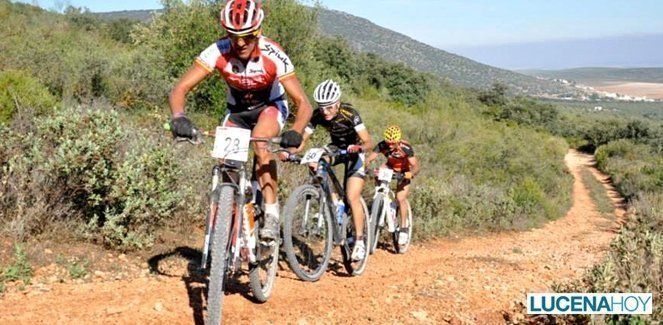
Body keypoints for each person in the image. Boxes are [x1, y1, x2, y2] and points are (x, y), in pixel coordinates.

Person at [168, 0, 313, 240]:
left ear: (258, 31)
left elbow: (304, 103)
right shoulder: (218, 50)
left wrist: (296, 130)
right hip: (237, 111)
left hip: (270, 107)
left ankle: (270, 210)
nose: (240, 43)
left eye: (247, 35)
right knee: (226, 164)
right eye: (233, 35)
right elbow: (180, 89)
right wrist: (179, 116)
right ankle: (229, 226)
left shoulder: (273, 54)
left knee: (261, 143)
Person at [282, 79, 373, 261]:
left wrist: (360, 148)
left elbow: (368, 141)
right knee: (316, 160)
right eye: (322, 107)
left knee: (352, 196)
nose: (325, 111)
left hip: (354, 152)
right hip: (336, 149)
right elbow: (303, 141)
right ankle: (332, 200)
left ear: (337, 103)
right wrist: (289, 151)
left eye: (330, 107)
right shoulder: (317, 115)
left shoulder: (350, 114)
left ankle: (360, 241)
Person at [366, 125, 419, 245]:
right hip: (390, 167)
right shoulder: (382, 145)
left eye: (392, 143)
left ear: (398, 141)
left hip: (404, 170)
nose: (390, 145)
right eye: (388, 142)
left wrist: (410, 174)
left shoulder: (405, 148)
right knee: (379, 171)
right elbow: (370, 158)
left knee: (400, 198)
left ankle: (404, 228)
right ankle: (380, 198)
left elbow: (416, 166)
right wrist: (364, 166)